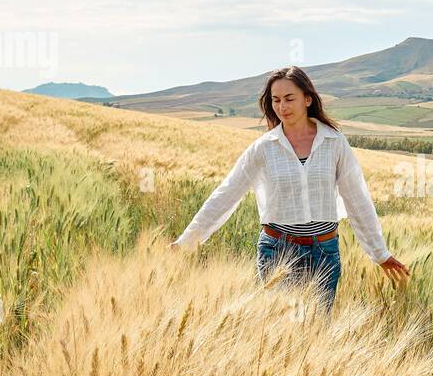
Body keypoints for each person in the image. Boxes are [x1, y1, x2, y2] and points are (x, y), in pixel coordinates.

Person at [169, 66, 410, 312]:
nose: (282, 106)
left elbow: (357, 199)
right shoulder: (263, 148)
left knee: (316, 333)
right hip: (277, 252)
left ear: (307, 99)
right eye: (275, 100)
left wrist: (379, 253)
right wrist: (187, 241)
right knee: (281, 331)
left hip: (324, 252)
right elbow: (227, 193)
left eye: (289, 98)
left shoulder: (335, 143)